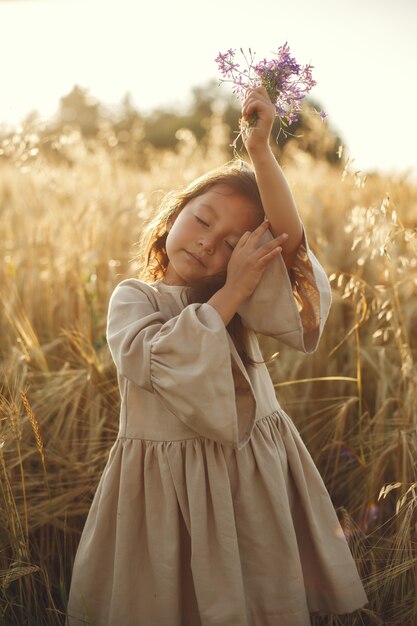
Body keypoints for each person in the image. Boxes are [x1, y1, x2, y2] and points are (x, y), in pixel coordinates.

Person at [66, 87, 368, 626]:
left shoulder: (244, 300)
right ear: (174, 212)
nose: (210, 245)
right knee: (172, 596)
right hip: (168, 488)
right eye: (203, 221)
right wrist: (232, 288)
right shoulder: (136, 298)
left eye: (234, 243)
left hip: (249, 473)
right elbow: (158, 360)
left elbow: (290, 244)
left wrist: (260, 154)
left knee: (255, 592)